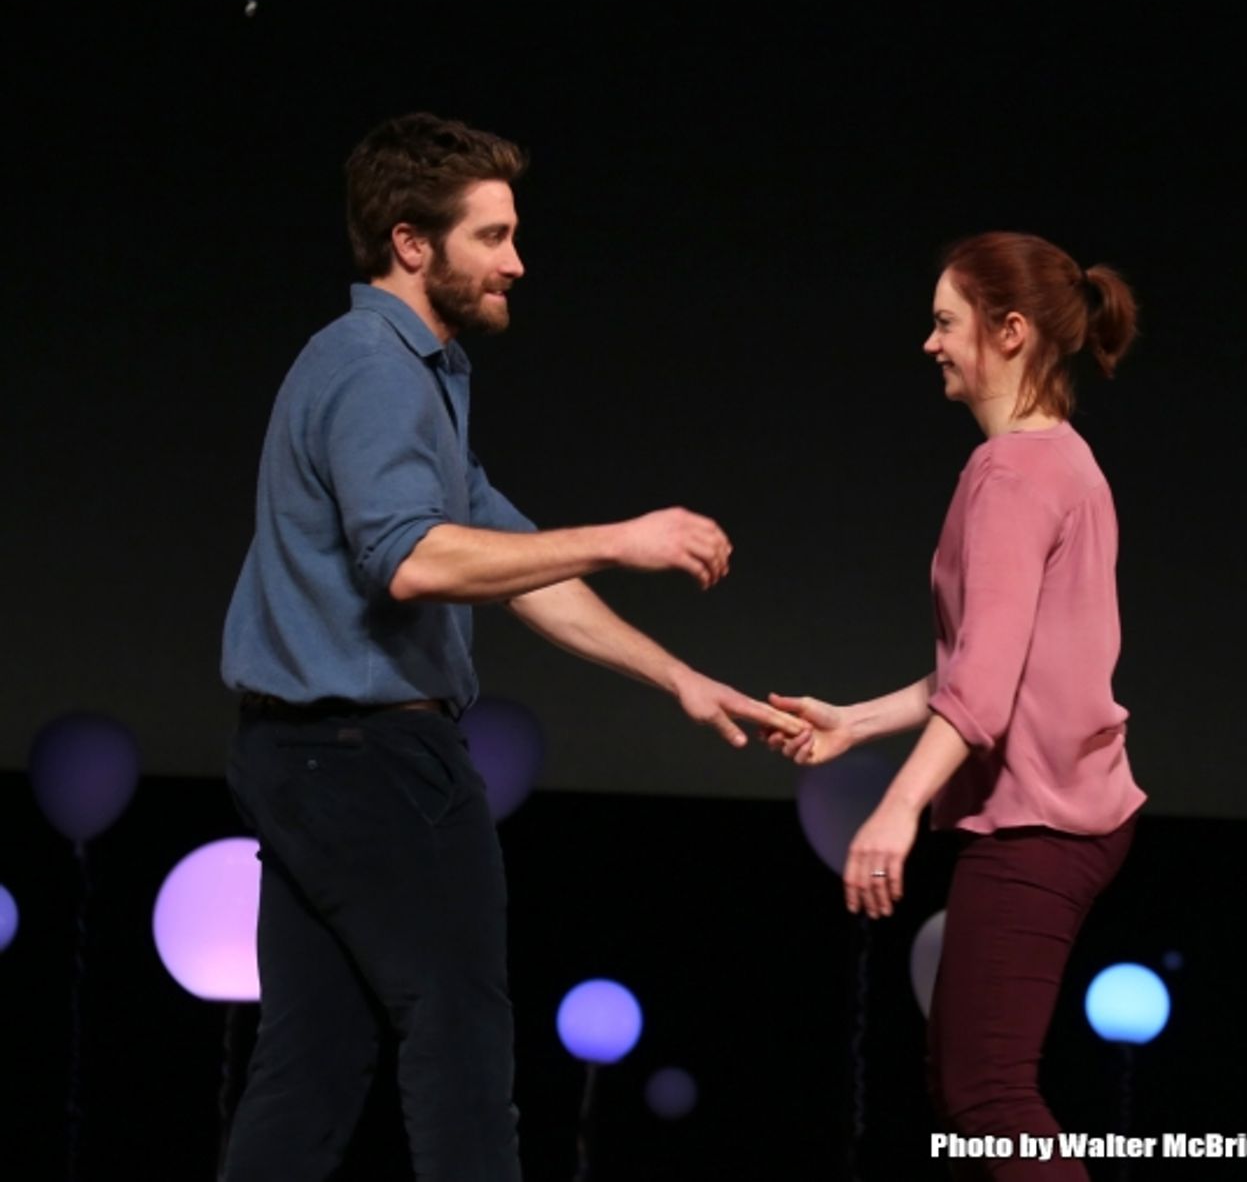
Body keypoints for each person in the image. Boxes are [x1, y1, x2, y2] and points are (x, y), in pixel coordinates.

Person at [219, 112, 801, 1182]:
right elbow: (412, 560)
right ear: (410, 243)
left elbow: (518, 563)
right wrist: (623, 538)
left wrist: (677, 677)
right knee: (461, 1051)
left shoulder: (412, 373)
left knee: (309, 1072)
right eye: (492, 236)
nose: (517, 261)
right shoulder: (376, 370)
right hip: (374, 765)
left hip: (304, 762)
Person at [766, 232, 1146, 1180]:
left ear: (1009, 331)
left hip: (1040, 826)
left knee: (989, 1099)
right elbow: (999, 661)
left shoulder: (1010, 475)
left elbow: (985, 683)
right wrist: (855, 721)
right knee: (970, 1091)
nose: (930, 343)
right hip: (1064, 816)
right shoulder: (1063, 460)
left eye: (946, 322)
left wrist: (896, 807)